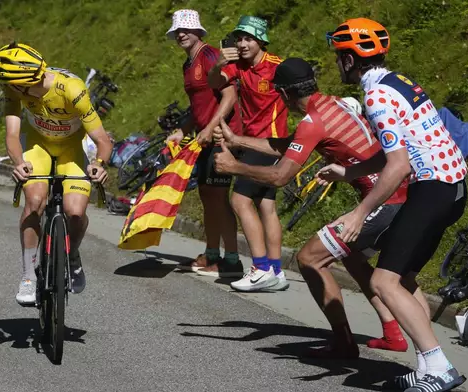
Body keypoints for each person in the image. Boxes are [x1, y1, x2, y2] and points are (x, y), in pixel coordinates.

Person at [212, 57, 411, 357]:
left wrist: (233, 167)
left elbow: (280, 176)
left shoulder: (312, 122)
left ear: (284, 94)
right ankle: (393, 334)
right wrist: (238, 139)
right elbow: (291, 144)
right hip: (398, 191)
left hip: (385, 199)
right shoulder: (329, 104)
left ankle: (344, 344)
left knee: (309, 259)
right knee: (354, 256)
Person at [320, 18, 468, 391]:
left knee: (383, 281)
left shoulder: (376, 97)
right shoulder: (396, 81)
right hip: (451, 186)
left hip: (434, 187)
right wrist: (350, 172)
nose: (338, 64)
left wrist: (358, 212)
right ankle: (429, 364)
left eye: (340, 56)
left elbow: (398, 165)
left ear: (351, 60)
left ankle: (438, 369)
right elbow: (397, 151)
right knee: (402, 278)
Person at [0, 42, 113, 305]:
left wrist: (99, 165)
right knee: (34, 201)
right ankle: (27, 275)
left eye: (11, 86)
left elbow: (103, 140)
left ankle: (72, 254)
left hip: (71, 147)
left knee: (76, 212)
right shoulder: (13, 89)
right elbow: (12, 135)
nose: (8, 90)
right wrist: (18, 161)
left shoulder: (72, 89)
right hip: (38, 145)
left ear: (23, 83)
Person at [206, 15, 288, 289]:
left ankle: (260, 267)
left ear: (261, 41)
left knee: (239, 201)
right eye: (239, 38)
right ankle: (276, 271)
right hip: (249, 141)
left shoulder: (278, 67)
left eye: (248, 38)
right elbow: (215, 83)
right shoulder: (238, 67)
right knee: (266, 206)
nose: (242, 43)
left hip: (272, 142)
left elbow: (304, 91)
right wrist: (218, 63)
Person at [164, 9, 243, 273]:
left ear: (198, 31)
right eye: (178, 30)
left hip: (222, 136)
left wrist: (210, 128)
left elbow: (230, 95)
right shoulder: (188, 63)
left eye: (186, 29)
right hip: (204, 138)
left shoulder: (209, 56)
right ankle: (211, 254)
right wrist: (182, 129)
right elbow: (198, 104)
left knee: (219, 198)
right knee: (208, 195)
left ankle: (232, 260)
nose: (181, 34)